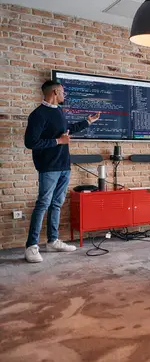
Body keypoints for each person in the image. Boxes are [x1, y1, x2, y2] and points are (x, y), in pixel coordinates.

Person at [24, 80, 101, 263]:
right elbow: (31, 143)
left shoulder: (58, 111)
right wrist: (58, 142)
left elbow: (65, 132)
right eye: (63, 92)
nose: (65, 95)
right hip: (49, 167)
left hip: (64, 165)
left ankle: (53, 241)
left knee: (56, 204)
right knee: (43, 204)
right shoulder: (38, 115)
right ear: (56, 91)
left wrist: (87, 121)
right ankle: (31, 246)